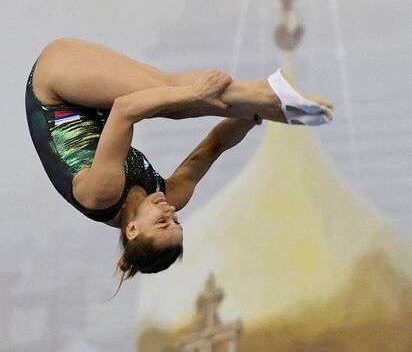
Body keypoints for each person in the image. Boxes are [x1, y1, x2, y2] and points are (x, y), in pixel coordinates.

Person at [25, 38, 333, 284]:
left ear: (132, 230)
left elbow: (125, 110)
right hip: (94, 103)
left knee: (177, 97)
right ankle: (269, 101)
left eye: (162, 222)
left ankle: (269, 94)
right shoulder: (170, 195)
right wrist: (253, 117)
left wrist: (193, 94)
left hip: (54, 87)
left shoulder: (101, 194)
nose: (170, 212)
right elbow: (214, 146)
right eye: (176, 221)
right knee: (177, 95)